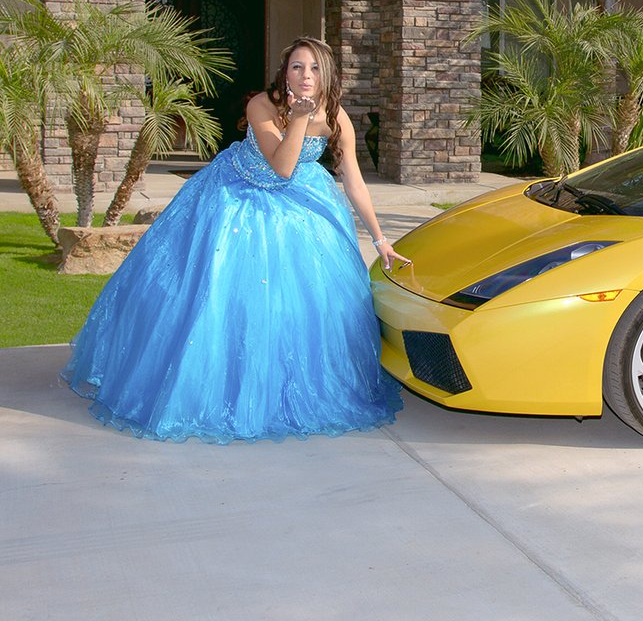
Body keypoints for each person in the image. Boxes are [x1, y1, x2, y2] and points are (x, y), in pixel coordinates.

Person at [62, 36, 405, 442]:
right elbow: (281, 167)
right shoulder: (262, 105)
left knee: (303, 297)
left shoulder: (337, 116)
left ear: (328, 74)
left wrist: (380, 239)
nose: (306, 75)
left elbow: (354, 182)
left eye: (314, 68)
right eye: (297, 66)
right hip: (235, 196)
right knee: (213, 289)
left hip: (297, 201)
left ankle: (286, 387)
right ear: (285, 72)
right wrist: (298, 118)